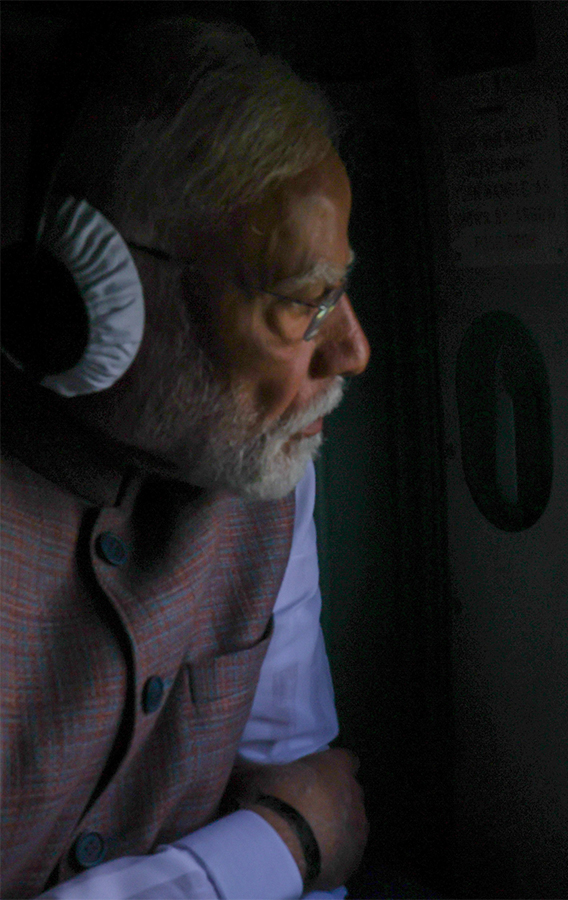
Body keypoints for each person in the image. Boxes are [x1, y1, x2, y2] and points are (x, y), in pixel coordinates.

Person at [1, 18, 370, 898]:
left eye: (341, 290)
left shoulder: (273, 482)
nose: (353, 349)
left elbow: (292, 772)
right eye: (302, 303)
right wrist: (277, 850)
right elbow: (303, 826)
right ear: (106, 294)